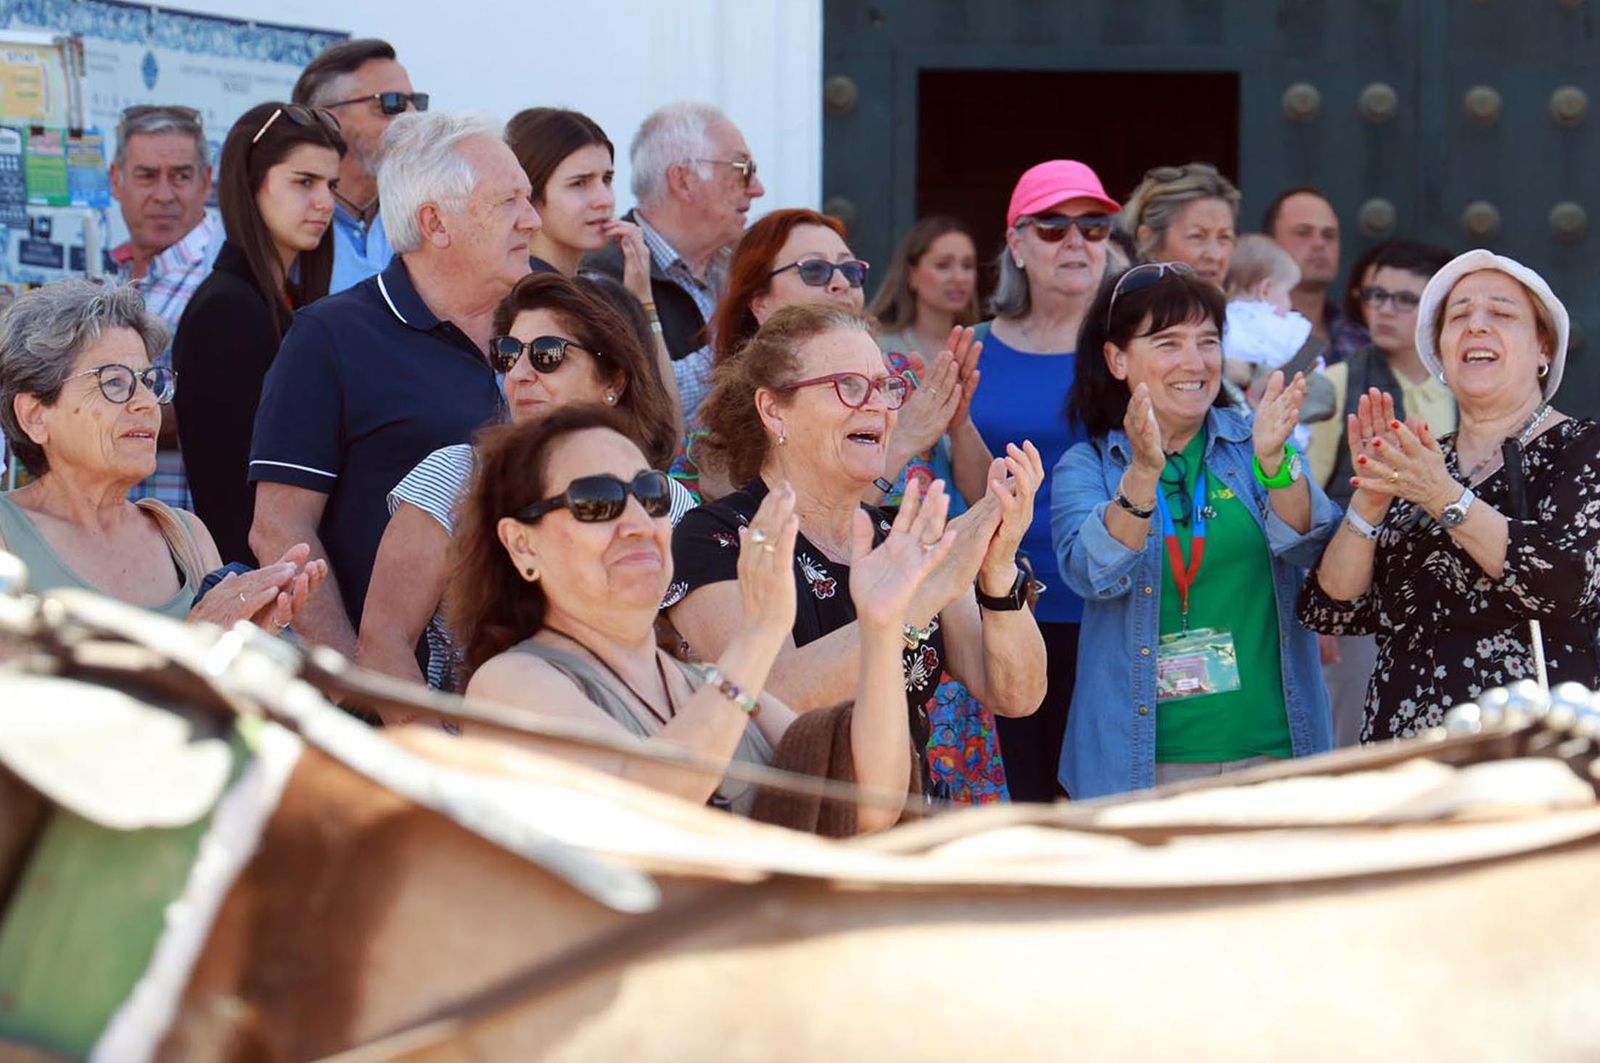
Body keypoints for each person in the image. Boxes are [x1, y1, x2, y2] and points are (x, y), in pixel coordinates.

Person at [450, 405, 952, 833]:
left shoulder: (707, 685)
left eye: (650, 496)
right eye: (595, 502)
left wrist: (883, 627)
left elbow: (870, 803)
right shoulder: (510, 682)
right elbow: (644, 810)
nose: (636, 524)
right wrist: (759, 636)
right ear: (522, 543)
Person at [668, 305, 1048, 798]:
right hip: (790, 834)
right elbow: (769, 698)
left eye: (885, 386)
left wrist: (997, 571)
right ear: (773, 409)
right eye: (847, 385)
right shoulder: (716, 537)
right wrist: (924, 594)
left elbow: (1015, 695)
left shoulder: (902, 535)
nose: (877, 405)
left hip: (905, 831)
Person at [248, 111, 538, 658]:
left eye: (528, 198)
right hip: (397, 698)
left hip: (544, 692)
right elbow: (281, 528)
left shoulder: (548, 325)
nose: (532, 220)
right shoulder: (331, 338)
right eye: (509, 203)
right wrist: (359, 683)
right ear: (435, 224)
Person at [1053, 264, 1337, 798]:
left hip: (1274, 758)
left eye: (1208, 342)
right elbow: (1092, 573)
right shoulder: (1086, 465)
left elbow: (1312, 549)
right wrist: (1142, 471)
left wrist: (1276, 463)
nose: (1195, 362)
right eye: (1168, 343)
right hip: (1136, 768)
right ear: (1117, 359)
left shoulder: (1256, 442)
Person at [1299, 250, 1600, 742]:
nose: (1476, 326)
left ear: (1543, 349)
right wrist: (1370, 500)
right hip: (1405, 754)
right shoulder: (1420, 461)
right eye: (1459, 316)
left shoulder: (1583, 451)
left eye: (1501, 313)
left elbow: (1561, 584)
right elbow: (1333, 609)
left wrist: (1442, 496)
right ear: (1439, 352)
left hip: (1527, 756)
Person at [356, 272, 691, 691]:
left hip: (631, 735)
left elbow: (695, 651)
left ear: (613, 381)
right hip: (484, 743)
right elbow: (382, 643)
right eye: (509, 354)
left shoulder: (662, 499)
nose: (520, 374)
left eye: (548, 355)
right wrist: (437, 753)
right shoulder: (455, 475)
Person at [0, 279, 322, 629]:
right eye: (113, 382)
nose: (146, 403)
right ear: (34, 415)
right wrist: (195, 639)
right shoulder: (7, 533)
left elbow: (212, 673)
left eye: (149, 381)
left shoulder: (185, 536)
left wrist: (247, 642)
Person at [965, 159, 1118, 801]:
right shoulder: (970, 348)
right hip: (1005, 608)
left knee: (1110, 804)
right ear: (1017, 245)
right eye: (1053, 227)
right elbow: (965, 490)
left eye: (1093, 225)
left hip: (1114, 610)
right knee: (1018, 801)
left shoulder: (1134, 351)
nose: (1077, 241)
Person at [173, 102, 345, 566]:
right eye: (303, 182)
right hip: (254, 582)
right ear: (252, 184)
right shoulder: (228, 309)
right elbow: (233, 483)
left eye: (332, 185)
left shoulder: (279, 304)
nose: (325, 202)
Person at [671, 208, 885, 501]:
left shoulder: (901, 381)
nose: (842, 283)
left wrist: (960, 428)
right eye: (814, 270)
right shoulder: (727, 419)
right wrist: (906, 440)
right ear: (760, 303)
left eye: (851, 271)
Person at [583, 102, 766, 418]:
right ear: (684, 181)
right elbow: (628, 403)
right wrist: (753, 340)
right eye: (742, 169)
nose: (757, 189)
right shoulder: (604, 277)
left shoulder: (739, 270)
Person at [503, 107, 681, 419]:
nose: (604, 199)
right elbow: (661, 420)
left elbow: (664, 424)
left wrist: (641, 299)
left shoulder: (596, 286)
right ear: (529, 194)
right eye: (579, 183)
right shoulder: (518, 300)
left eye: (607, 179)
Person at [107, 104, 224, 510]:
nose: (163, 194)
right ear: (116, 180)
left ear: (206, 182)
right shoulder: (110, 279)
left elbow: (215, 411)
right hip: (109, 537)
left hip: (188, 544)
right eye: (146, 176)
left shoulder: (221, 280)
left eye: (180, 176)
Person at [1308, 239, 1457, 505]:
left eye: (1405, 300)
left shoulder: (1460, 387)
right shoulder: (1336, 382)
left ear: (1438, 310)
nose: (1385, 310)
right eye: (1378, 295)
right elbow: (1308, 500)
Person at [867, 215, 992, 508]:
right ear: (911, 273)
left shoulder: (984, 347)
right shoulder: (880, 348)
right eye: (943, 265)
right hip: (893, 514)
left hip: (969, 516)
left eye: (967, 265)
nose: (958, 277)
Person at [292, 38, 426, 293]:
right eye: (390, 103)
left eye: (415, 102)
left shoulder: (426, 220)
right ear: (327, 117)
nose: (411, 117)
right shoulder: (276, 223)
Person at [1263, 186, 1371, 364]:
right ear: (1270, 244)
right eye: (1303, 233)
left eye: (1329, 235)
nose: (1319, 243)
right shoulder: (1244, 331)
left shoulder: (1361, 338)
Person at [1119, 162, 1240, 288]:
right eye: (1197, 236)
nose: (1214, 256)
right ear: (1148, 239)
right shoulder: (1128, 306)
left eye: (1224, 237)